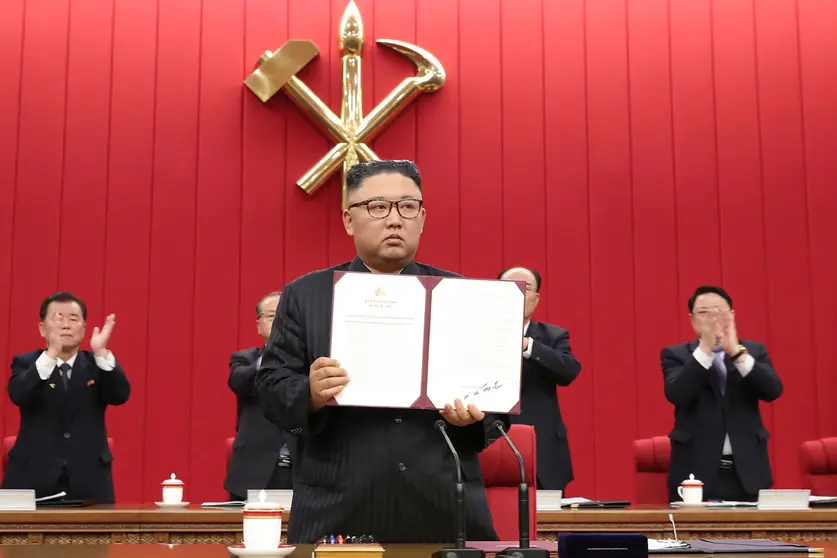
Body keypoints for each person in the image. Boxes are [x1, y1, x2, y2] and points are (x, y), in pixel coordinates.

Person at [255, 160, 507, 544]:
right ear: (348, 220)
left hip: (443, 508)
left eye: (408, 207)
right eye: (377, 207)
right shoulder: (306, 295)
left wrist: (472, 418)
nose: (394, 220)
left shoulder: (465, 295)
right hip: (339, 508)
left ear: (422, 218)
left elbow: (495, 404)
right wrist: (309, 391)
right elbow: (271, 387)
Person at [2, 292, 130, 503]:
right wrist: (52, 354)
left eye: (73, 319)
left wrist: (102, 354)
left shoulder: (97, 365)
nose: (66, 325)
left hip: (89, 481)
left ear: (84, 328)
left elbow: (120, 395)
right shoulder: (26, 363)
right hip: (31, 479)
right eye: (58, 318)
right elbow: (18, 394)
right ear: (42, 328)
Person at [662, 286, 783, 502]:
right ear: (692, 320)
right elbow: (677, 393)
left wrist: (736, 352)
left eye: (718, 312)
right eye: (704, 313)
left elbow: (772, 390)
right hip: (694, 473)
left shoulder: (754, 352)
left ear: (732, 316)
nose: (712, 319)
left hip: (748, 471)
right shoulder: (676, 355)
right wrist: (707, 348)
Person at [498, 266, 581, 491]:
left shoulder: (553, 336)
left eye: (524, 289)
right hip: (488, 445)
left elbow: (569, 371)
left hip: (542, 450)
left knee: (544, 522)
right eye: (508, 288)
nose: (516, 294)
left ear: (536, 299)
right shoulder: (474, 335)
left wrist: (528, 346)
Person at [224, 291, 295, 501]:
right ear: (258, 324)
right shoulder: (244, 359)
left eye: (287, 316)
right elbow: (239, 383)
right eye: (273, 316)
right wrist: (275, 352)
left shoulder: (314, 361)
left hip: (303, 472)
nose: (281, 322)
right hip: (254, 473)